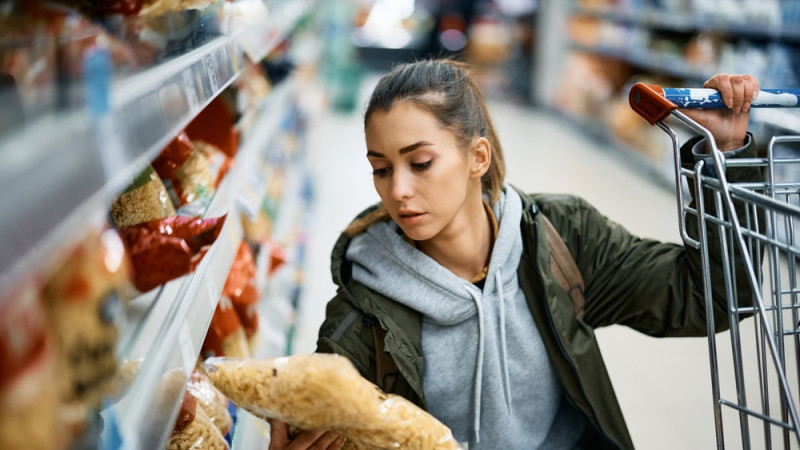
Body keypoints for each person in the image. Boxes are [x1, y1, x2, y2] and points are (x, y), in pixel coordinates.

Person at [269, 59, 762, 449]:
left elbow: (709, 296)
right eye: (380, 168)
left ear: (476, 158)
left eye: (420, 163)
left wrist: (723, 155)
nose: (397, 190)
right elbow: (326, 413)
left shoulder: (559, 238)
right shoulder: (364, 308)